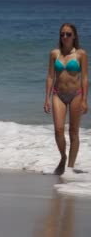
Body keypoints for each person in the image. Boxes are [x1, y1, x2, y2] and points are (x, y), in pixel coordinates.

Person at [44, 23, 88, 177]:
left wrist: (84, 100)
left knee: (73, 132)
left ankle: (69, 168)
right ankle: (63, 157)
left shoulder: (81, 54)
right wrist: (47, 98)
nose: (65, 37)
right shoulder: (54, 53)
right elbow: (50, 77)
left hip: (76, 94)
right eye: (62, 34)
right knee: (58, 130)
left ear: (74, 36)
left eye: (68, 34)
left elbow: (85, 78)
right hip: (58, 94)